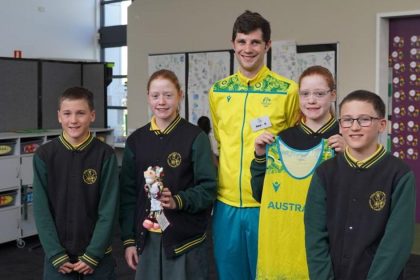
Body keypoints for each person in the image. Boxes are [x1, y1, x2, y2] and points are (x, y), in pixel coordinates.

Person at [208, 10, 300, 280]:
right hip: (225, 205)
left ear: (267, 45)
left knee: (269, 275)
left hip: (268, 204)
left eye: (255, 42)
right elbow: (221, 144)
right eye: (242, 41)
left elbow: (297, 144)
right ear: (233, 44)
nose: (248, 49)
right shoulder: (218, 91)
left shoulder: (287, 90)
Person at [305, 90, 416, 279]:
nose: (354, 127)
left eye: (364, 119)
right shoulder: (324, 173)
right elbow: (315, 237)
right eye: (347, 120)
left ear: (382, 125)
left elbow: (397, 243)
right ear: (340, 126)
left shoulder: (399, 175)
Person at [119, 69, 217, 280]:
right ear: (148, 97)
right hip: (147, 238)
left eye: (168, 95)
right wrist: (129, 240)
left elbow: (208, 189)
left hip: (184, 239)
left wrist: (177, 201)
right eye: (155, 96)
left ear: (180, 95)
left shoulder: (195, 137)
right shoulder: (136, 140)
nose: (161, 102)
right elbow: (128, 193)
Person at [250, 65, 345, 279]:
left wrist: (349, 155)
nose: (311, 100)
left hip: (326, 248)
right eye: (305, 94)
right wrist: (259, 156)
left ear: (333, 95)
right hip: (282, 248)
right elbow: (260, 194)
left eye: (319, 94)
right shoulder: (282, 139)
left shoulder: (345, 136)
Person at [32, 87, 119, 279]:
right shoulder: (44, 156)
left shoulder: (105, 155)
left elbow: (109, 210)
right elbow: (41, 209)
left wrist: (93, 255)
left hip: (98, 260)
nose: (73, 120)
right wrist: (55, 253)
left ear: (92, 115)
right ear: (59, 116)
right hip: (58, 261)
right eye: (67, 113)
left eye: (80, 113)